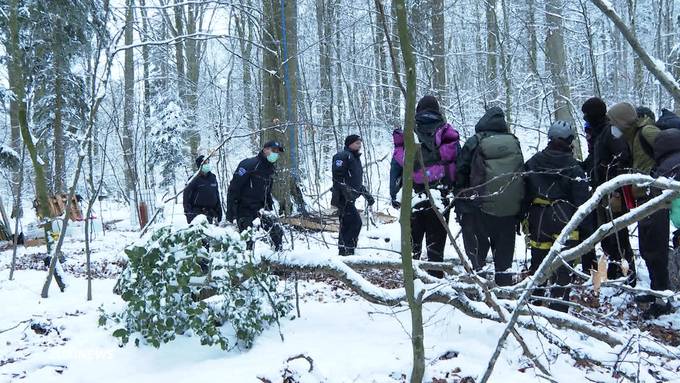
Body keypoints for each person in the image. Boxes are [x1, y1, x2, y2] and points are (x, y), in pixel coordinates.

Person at [390, 96, 460, 277]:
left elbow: (396, 166)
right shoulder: (446, 131)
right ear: (437, 110)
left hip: (412, 192)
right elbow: (458, 162)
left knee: (413, 240)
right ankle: (436, 278)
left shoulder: (409, 132)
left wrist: (394, 193)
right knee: (436, 241)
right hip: (440, 193)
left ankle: (413, 278)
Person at [524, 121, 590, 312]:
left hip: (538, 219)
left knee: (538, 262)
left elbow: (524, 191)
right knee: (563, 265)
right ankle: (558, 308)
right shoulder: (574, 168)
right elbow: (583, 202)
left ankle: (534, 303)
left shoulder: (533, 161)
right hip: (565, 220)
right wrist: (587, 232)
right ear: (569, 141)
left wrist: (521, 216)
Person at [455, 106, 524, 286]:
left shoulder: (474, 142)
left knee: (477, 260)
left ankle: (479, 293)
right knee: (504, 263)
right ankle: (504, 294)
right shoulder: (513, 142)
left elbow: (460, 173)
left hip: (477, 209)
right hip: (508, 211)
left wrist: (461, 203)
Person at [607, 102, 669, 294]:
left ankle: (661, 297)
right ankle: (656, 292)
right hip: (645, 200)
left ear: (623, 122)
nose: (612, 128)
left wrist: (660, 176)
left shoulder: (646, 131)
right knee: (647, 249)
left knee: (655, 251)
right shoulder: (632, 137)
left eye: (614, 123)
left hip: (656, 198)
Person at [579, 97, 635, 283]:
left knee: (619, 234)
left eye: (587, 115)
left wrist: (616, 190)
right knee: (606, 234)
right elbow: (594, 158)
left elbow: (623, 158)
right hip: (601, 190)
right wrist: (580, 169)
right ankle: (613, 269)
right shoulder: (597, 133)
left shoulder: (611, 131)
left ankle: (629, 274)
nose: (586, 119)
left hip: (613, 191)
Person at [225, 141, 284, 251]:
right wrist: (230, 213)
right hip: (244, 208)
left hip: (260, 209)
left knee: (276, 231)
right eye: (273, 150)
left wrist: (269, 208)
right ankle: (247, 263)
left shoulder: (270, 168)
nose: (276, 154)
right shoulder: (249, 164)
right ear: (265, 149)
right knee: (248, 239)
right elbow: (233, 188)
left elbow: (267, 191)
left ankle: (278, 257)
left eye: (277, 152)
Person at [331, 134, 374, 255]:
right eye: (357, 143)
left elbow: (356, 181)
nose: (359, 145)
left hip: (351, 198)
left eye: (360, 143)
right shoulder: (342, 156)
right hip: (342, 198)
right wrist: (346, 192)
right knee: (355, 222)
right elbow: (337, 178)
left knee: (348, 224)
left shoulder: (355, 158)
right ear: (349, 144)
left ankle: (347, 250)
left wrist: (367, 195)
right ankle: (347, 250)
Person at [183, 155, 223, 224]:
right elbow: (186, 197)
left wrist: (219, 211)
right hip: (197, 214)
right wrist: (189, 213)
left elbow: (216, 194)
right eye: (205, 163)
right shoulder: (193, 179)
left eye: (208, 163)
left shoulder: (213, 178)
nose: (207, 165)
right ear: (200, 165)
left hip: (211, 213)